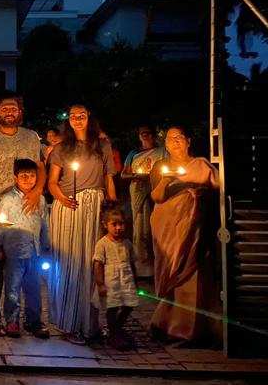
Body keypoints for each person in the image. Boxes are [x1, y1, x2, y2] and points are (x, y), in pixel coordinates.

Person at [47, 104, 117, 345]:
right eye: (73, 116)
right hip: (68, 207)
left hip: (95, 205)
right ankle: (68, 323)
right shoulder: (61, 148)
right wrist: (62, 198)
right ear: (69, 121)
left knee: (91, 264)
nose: (77, 119)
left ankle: (90, 325)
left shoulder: (103, 146)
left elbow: (109, 178)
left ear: (89, 118)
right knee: (69, 263)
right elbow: (52, 182)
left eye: (82, 115)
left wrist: (112, 207)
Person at [0, 91, 45, 337]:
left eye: (13, 108)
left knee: (28, 262)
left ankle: (31, 317)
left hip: (26, 203)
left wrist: (37, 191)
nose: (9, 112)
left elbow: (40, 167)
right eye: (4, 108)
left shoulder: (30, 137)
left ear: (20, 111)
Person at [149, 125, 221, 344]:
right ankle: (164, 325)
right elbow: (157, 197)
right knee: (172, 272)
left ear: (188, 140)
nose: (175, 142)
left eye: (179, 137)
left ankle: (191, 329)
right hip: (168, 227)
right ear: (166, 144)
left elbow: (218, 188)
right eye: (170, 139)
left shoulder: (200, 165)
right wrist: (166, 180)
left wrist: (199, 192)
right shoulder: (161, 166)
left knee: (193, 274)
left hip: (195, 229)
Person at [0, 159, 50, 339]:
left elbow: (44, 223)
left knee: (34, 288)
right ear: (15, 177)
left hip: (34, 251)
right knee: (12, 287)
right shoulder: (8, 198)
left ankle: (34, 321)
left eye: (32, 176)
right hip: (13, 251)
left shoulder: (40, 199)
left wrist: (46, 246)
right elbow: (0, 224)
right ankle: (12, 321)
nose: (27, 179)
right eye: (23, 176)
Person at [121, 125, 167, 277]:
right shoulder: (134, 153)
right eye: (142, 133)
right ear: (139, 136)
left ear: (153, 135)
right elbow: (124, 175)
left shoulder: (162, 152)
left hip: (157, 188)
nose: (145, 135)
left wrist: (153, 176)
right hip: (138, 188)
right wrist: (136, 176)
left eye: (148, 133)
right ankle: (141, 267)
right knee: (140, 225)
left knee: (156, 225)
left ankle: (159, 266)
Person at [92, 208, 139, 350]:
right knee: (112, 308)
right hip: (111, 281)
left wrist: (135, 281)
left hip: (126, 280)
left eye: (121, 224)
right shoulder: (103, 243)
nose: (119, 228)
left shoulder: (127, 243)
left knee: (129, 305)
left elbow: (132, 262)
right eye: (114, 224)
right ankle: (114, 335)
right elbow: (98, 263)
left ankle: (117, 328)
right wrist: (100, 284)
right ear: (105, 225)